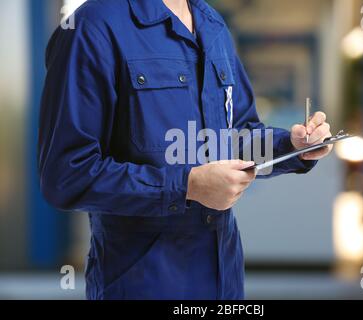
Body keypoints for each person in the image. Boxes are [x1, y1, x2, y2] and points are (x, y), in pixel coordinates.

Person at [38, 0, 332, 300]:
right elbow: (66, 175)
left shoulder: (212, 25)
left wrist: (292, 146)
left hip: (223, 277)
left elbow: (234, 138)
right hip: (143, 282)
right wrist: (186, 187)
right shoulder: (93, 26)